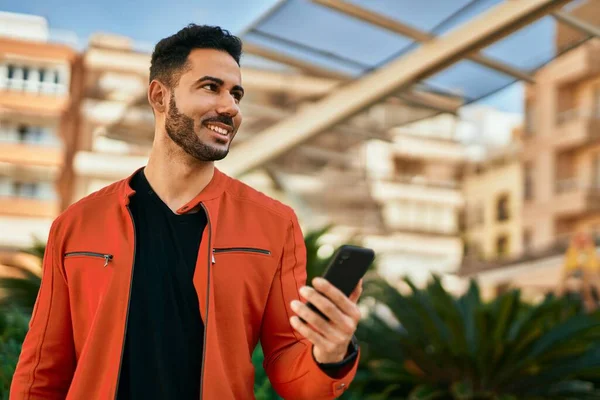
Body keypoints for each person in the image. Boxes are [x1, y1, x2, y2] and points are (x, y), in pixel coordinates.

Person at [10, 24, 362, 400]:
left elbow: (292, 372)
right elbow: (41, 371)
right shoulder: (77, 224)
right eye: (211, 87)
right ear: (160, 96)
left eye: (236, 94)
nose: (230, 107)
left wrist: (330, 354)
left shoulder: (275, 225)